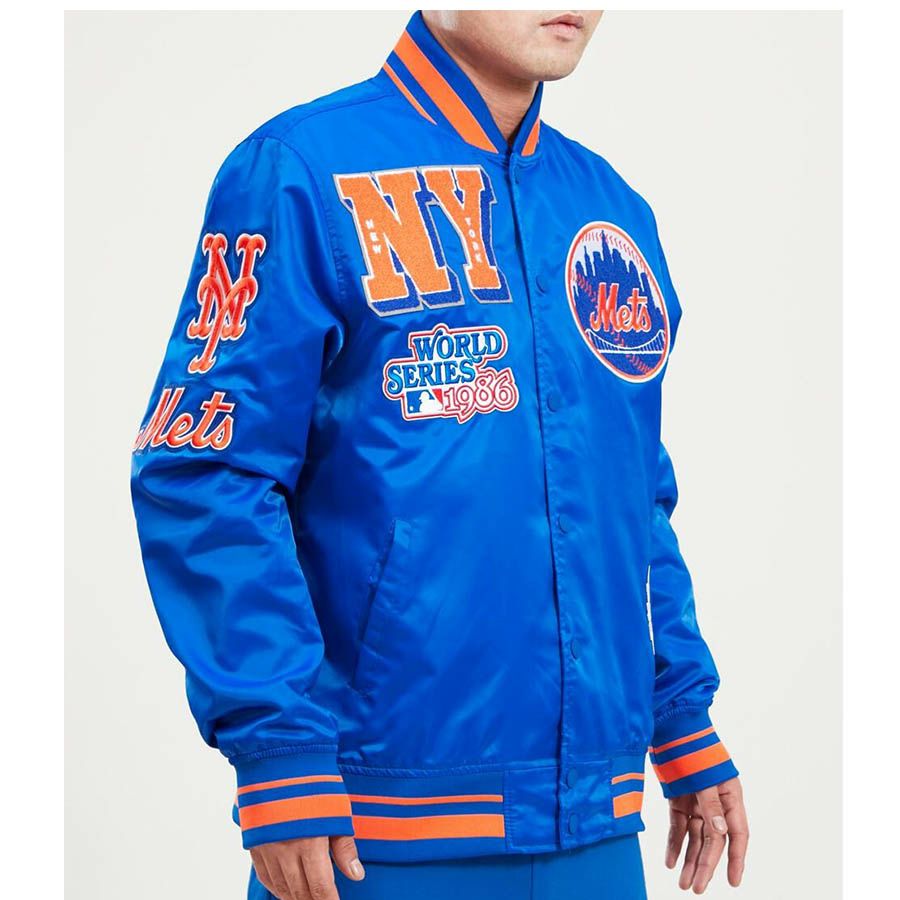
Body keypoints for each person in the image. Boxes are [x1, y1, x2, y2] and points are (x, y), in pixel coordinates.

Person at [131, 9, 749, 900]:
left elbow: (632, 491)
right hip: (371, 829)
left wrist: (680, 708)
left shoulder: (611, 209)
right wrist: (278, 748)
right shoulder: (303, 170)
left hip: (598, 825)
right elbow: (207, 470)